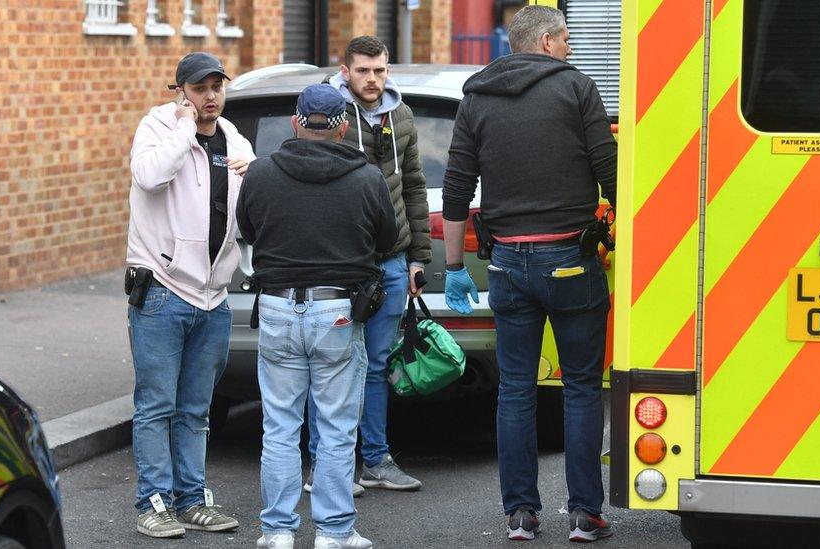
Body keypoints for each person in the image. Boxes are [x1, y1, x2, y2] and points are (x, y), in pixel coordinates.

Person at [440, 6, 617, 544]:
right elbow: (611, 172)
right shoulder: (577, 89)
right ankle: (585, 515)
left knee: (515, 389)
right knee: (582, 388)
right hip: (571, 259)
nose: (569, 48)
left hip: (507, 265)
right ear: (545, 41)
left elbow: (455, 190)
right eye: (565, 39)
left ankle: (519, 514)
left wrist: (453, 267)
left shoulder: (477, 97)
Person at [236, 84, 397, 549]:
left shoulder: (262, 174)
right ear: (343, 127)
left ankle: (278, 531)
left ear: (295, 123)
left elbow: (248, 230)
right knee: (335, 429)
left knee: (280, 427)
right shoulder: (366, 178)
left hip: (276, 307)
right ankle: (333, 532)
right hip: (338, 312)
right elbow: (385, 239)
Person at [126, 51, 254, 539]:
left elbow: (246, 215)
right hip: (161, 289)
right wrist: (183, 128)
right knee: (156, 404)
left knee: (196, 409)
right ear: (181, 91)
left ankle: (193, 499)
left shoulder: (233, 139)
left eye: (217, 86)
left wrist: (254, 168)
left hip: (213, 295)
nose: (210, 96)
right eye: (199, 88)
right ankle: (153, 504)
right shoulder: (157, 128)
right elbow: (151, 176)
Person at [305, 34, 430, 496]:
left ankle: (375, 460)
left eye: (379, 70)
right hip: (340, 264)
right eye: (363, 71)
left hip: (392, 261)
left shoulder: (401, 114)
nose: (373, 79)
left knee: (376, 365)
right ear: (345, 71)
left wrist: (419, 256)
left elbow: (414, 185)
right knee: (333, 364)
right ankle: (323, 466)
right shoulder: (328, 114)